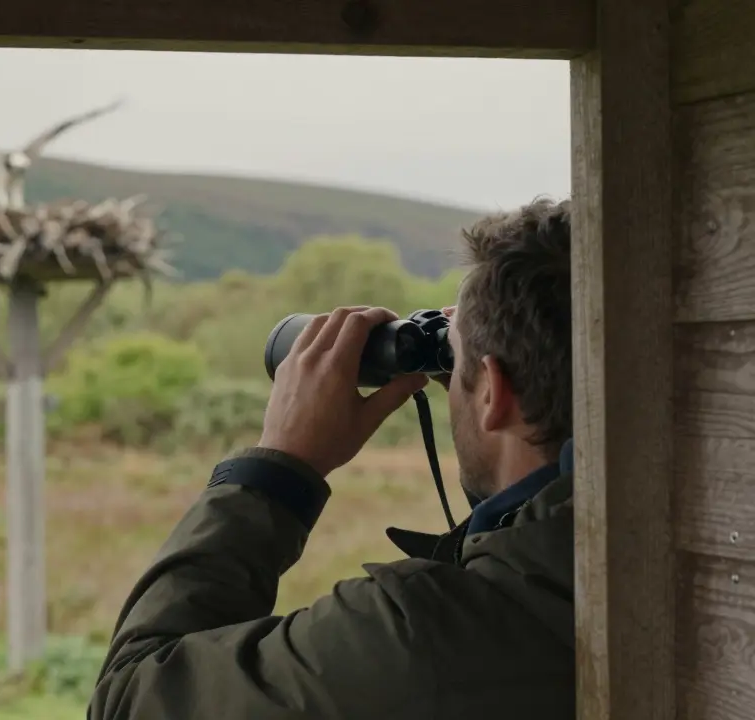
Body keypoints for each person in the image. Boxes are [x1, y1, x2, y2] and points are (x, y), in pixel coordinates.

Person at [87, 197, 575, 720]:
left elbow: (129, 700)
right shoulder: (613, 561)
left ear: (492, 393)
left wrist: (277, 465)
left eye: (454, 365)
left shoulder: (422, 634)